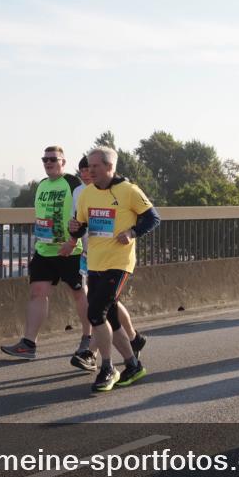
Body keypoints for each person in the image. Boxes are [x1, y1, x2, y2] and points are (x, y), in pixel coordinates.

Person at [71, 147, 160, 392]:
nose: (90, 171)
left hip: (119, 263)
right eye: (88, 166)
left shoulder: (129, 191)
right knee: (109, 316)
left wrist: (132, 232)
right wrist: (74, 229)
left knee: (95, 313)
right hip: (95, 262)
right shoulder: (87, 194)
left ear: (110, 167)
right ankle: (133, 365)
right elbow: (81, 226)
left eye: (95, 166)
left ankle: (107, 367)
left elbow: (153, 218)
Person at [1, 146, 91, 362]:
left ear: (63, 162)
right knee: (37, 292)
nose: (48, 162)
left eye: (53, 159)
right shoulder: (42, 185)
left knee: (79, 293)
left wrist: (75, 240)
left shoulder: (72, 183)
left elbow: (83, 211)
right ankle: (28, 344)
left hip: (71, 249)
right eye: (45, 159)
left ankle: (88, 338)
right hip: (44, 249)